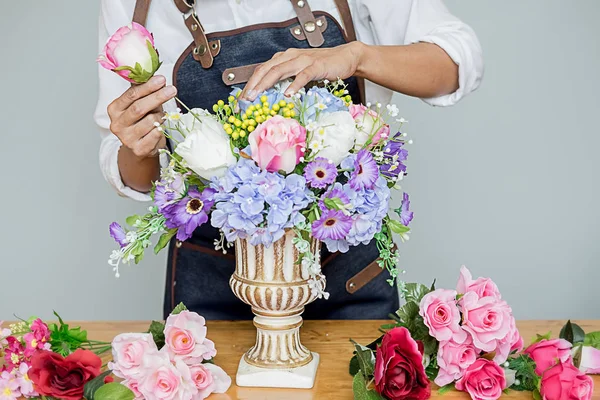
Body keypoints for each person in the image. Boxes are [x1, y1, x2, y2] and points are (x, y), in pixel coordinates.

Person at [95, 0, 483, 320]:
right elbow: (135, 177)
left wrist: (355, 57)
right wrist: (136, 144)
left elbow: (456, 62)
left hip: (349, 282)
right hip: (210, 291)